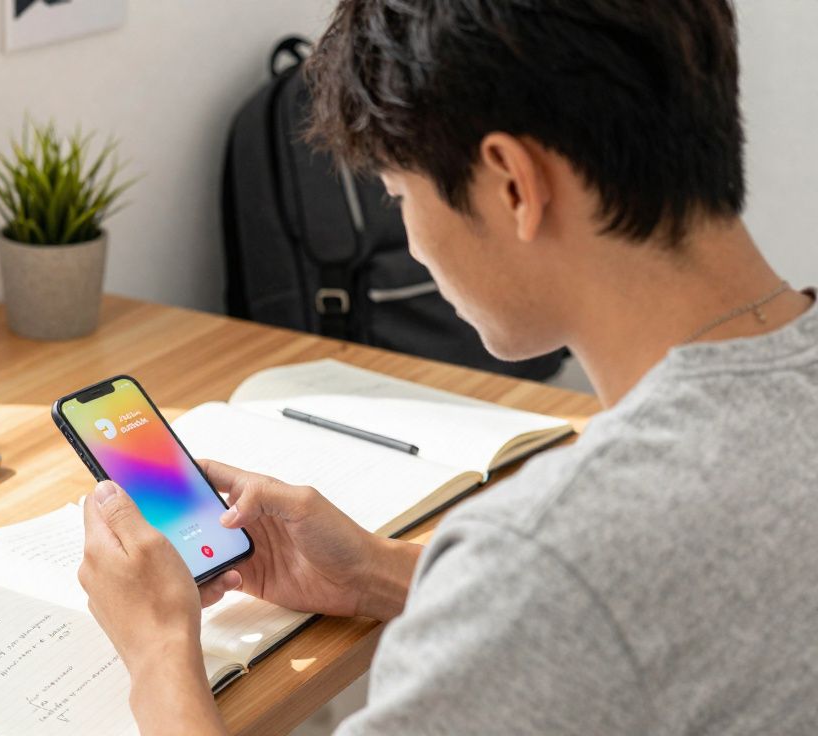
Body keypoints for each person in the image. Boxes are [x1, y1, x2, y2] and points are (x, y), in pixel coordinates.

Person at [78, 0, 818, 733]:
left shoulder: (551, 555)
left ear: (513, 185)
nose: (413, 241)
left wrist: (159, 654)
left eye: (399, 195)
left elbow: (568, 586)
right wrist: (376, 570)